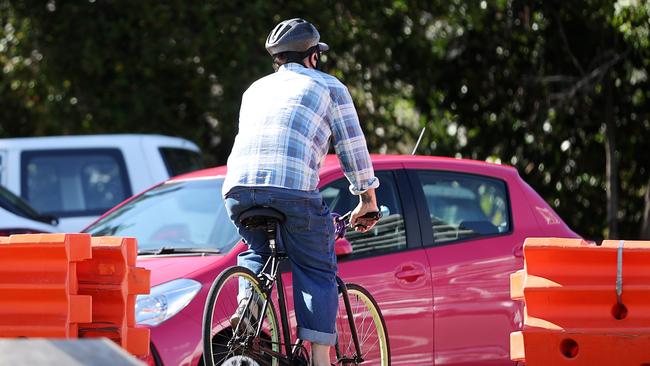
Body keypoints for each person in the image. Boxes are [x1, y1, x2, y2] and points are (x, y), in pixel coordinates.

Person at [222, 18, 379, 366]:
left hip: (237, 189)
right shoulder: (329, 87)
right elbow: (352, 148)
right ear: (312, 57)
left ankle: (248, 307)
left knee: (256, 248)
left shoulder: (254, 90)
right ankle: (321, 358)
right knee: (317, 266)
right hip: (291, 190)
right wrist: (367, 199)